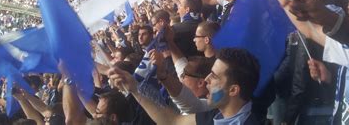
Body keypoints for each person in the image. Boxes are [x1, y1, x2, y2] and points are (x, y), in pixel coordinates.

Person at [108, 48, 261, 125]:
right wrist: (134, 88)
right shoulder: (216, 115)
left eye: (214, 76)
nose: (206, 79)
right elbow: (173, 121)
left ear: (233, 90)